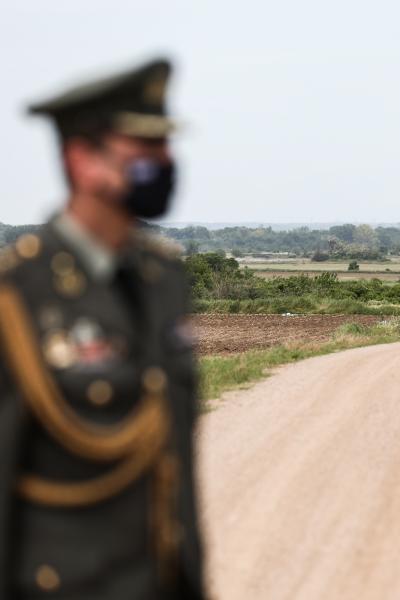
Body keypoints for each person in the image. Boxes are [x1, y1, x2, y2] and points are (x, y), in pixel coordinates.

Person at [0, 58, 206, 598]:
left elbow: (174, 469)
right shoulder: (18, 297)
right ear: (82, 159)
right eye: (144, 149)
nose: (165, 162)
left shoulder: (164, 279)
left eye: (165, 146)